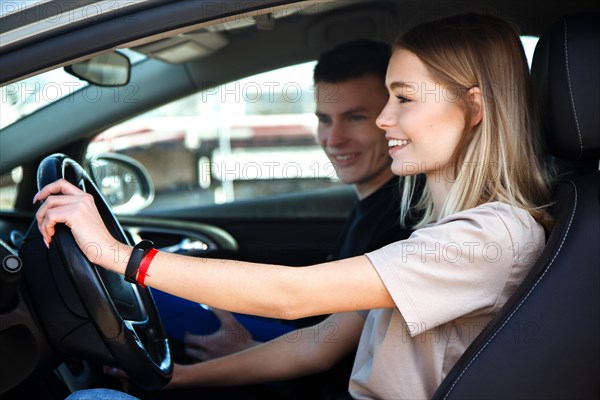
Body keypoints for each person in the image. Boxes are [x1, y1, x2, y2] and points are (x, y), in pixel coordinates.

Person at [39, 13, 553, 400]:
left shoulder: (489, 238)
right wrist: (181, 380)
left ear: (475, 107)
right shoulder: (445, 230)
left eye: (403, 99)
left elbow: (293, 297)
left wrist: (118, 255)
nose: (381, 120)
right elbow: (317, 340)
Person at [180, 39, 419, 367]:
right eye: (324, 119)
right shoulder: (374, 203)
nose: (333, 139)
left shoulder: (402, 220)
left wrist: (246, 351)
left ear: (391, 118)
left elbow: (330, 353)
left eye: (355, 118)